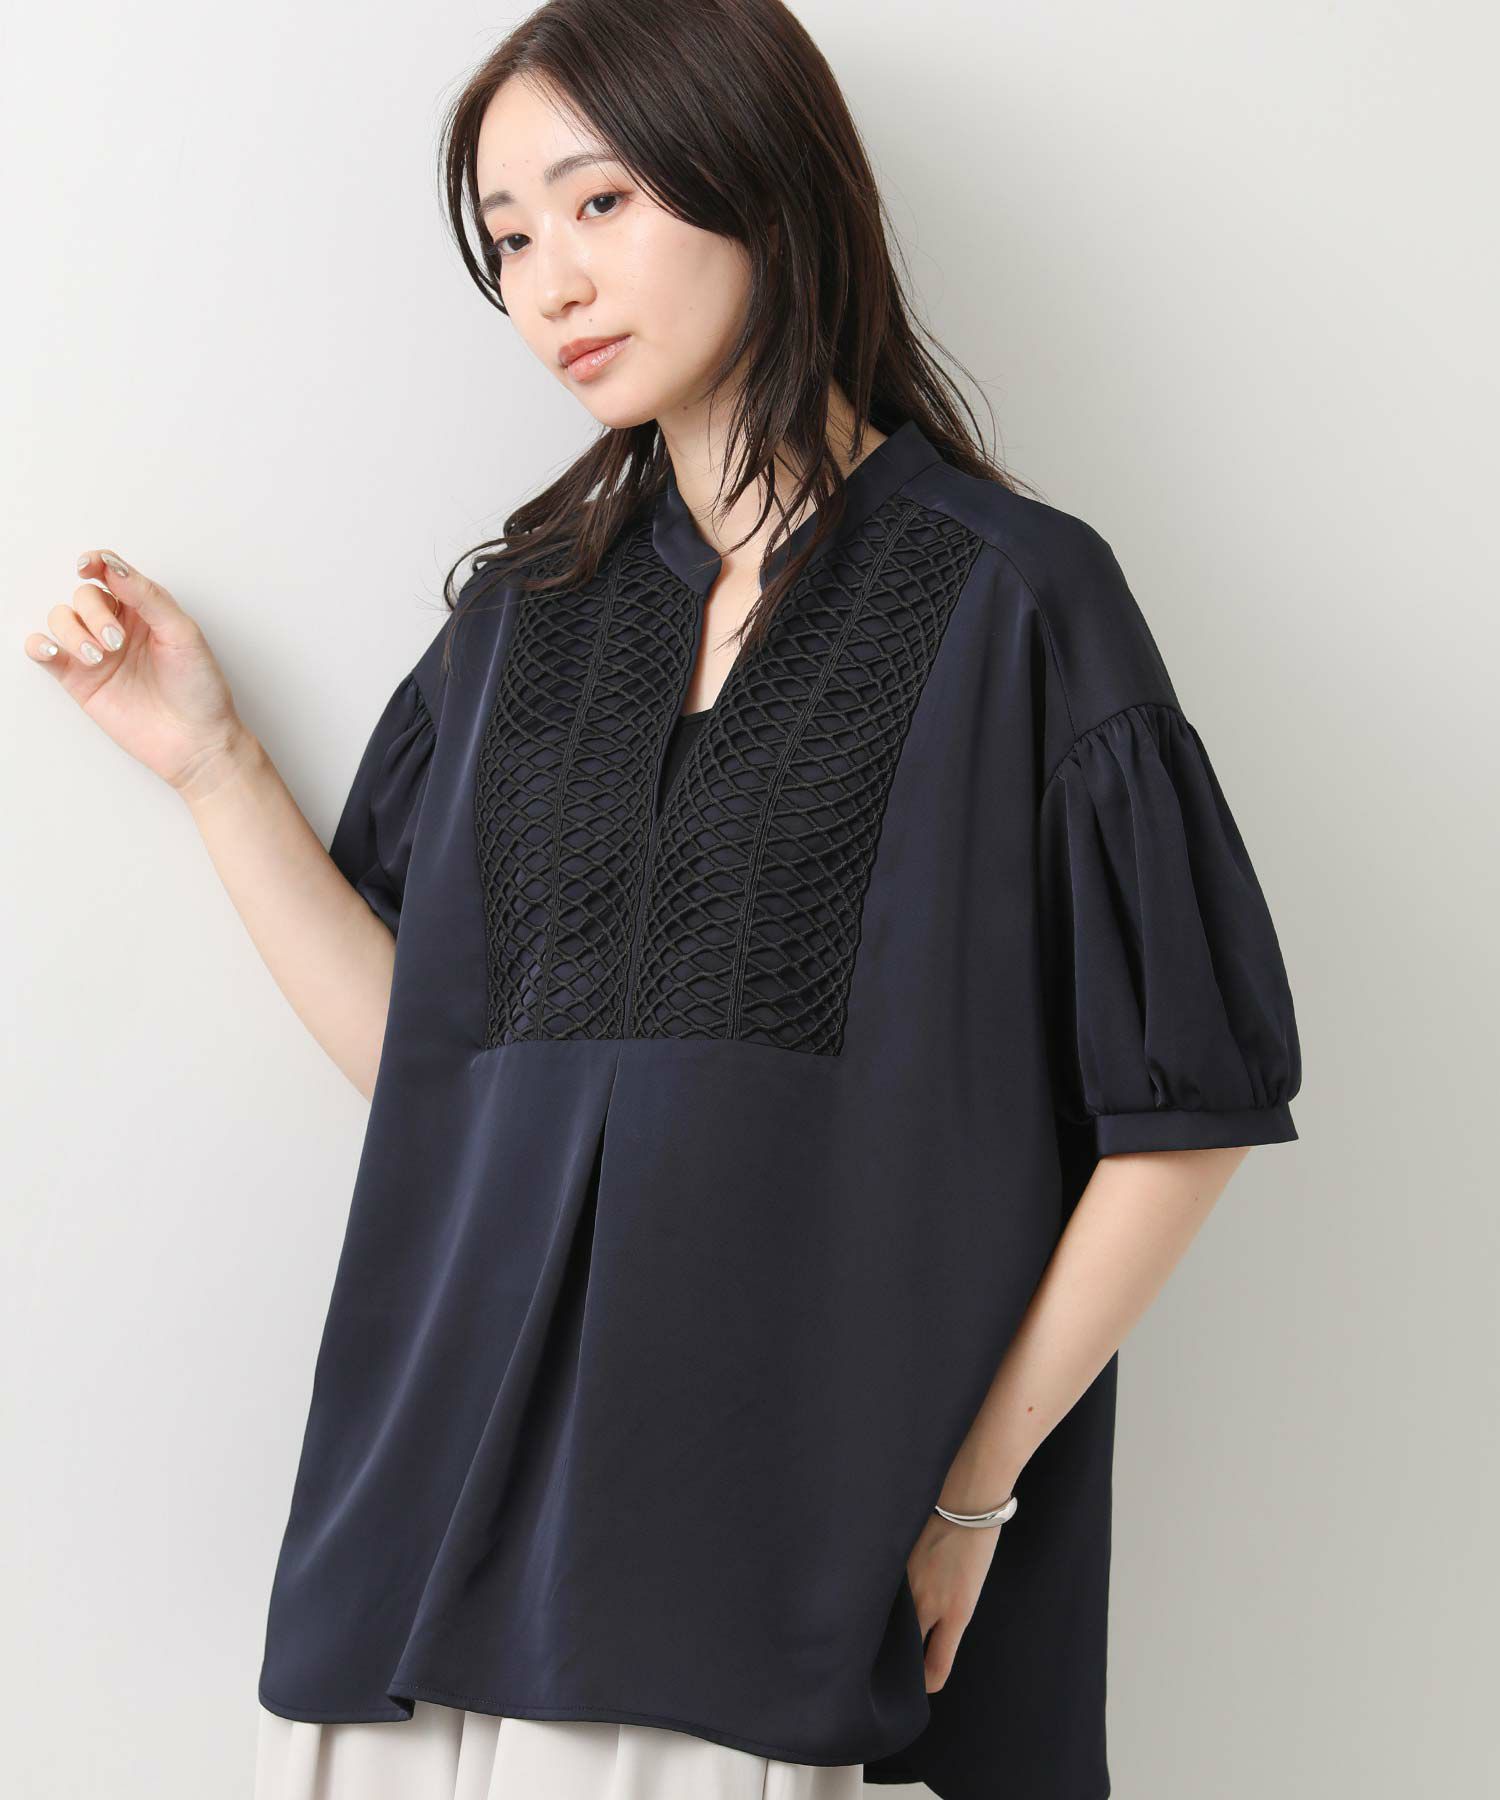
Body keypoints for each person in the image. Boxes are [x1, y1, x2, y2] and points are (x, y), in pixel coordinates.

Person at [26, 3, 1303, 1797]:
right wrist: (213, 764)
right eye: (508, 239)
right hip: (429, 1571)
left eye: (599, 202)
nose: (549, 281)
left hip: (781, 1582)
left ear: (762, 178)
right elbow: (440, 1076)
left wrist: (968, 1496)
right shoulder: (522, 623)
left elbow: (1186, 1115)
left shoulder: (1019, 600)